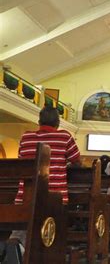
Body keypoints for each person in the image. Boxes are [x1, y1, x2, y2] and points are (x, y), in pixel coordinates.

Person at [4, 106, 81, 263]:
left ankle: (15, 253)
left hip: (25, 197)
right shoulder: (65, 137)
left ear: (39, 122)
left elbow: (22, 161)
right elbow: (77, 162)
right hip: (55, 198)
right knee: (52, 234)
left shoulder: (26, 138)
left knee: (21, 233)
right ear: (58, 123)